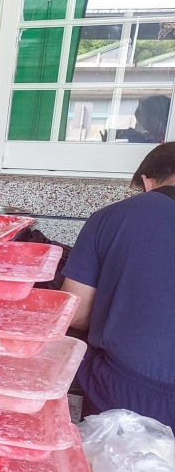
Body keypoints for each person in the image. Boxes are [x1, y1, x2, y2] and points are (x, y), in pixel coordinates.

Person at [62, 142, 175, 426]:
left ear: (148, 182)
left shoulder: (114, 216)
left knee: (115, 468)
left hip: (129, 393)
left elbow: (75, 312)